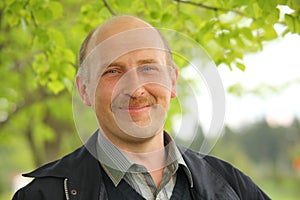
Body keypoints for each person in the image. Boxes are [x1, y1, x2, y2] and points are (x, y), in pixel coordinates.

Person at [12, 15, 270, 200]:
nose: (135, 89)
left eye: (148, 68)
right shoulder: (43, 195)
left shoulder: (234, 187)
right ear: (84, 89)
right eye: (113, 71)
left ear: (172, 82)